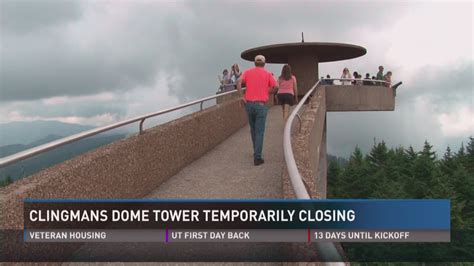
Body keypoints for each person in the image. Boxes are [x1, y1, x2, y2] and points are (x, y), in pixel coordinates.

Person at [236, 55, 278, 166]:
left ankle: (256, 151)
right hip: (261, 105)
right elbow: (276, 86)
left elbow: (238, 82)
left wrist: (241, 96)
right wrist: (268, 92)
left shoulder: (248, 72)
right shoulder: (268, 74)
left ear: (255, 63)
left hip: (249, 105)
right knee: (259, 131)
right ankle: (257, 157)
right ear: (264, 64)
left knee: (253, 130)